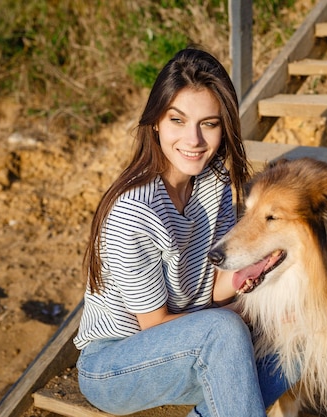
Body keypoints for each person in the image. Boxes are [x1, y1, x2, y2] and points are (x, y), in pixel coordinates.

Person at [74, 47, 292, 417]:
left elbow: (217, 286)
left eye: (208, 123)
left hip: (191, 345)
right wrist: (246, 314)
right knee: (226, 332)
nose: (193, 140)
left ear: (224, 128)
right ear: (156, 120)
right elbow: (154, 325)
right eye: (178, 120)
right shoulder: (134, 211)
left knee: (298, 337)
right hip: (114, 364)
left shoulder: (213, 182)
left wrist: (258, 275)